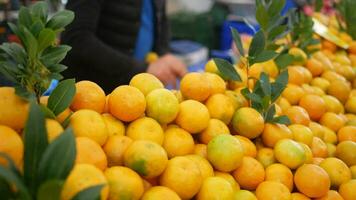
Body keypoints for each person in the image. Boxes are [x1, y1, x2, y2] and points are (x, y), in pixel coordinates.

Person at [61, 0, 187, 93]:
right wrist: (143, 68)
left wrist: (164, 55)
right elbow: (77, 39)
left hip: (136, 96)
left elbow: (160, 20)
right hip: (91, 97)